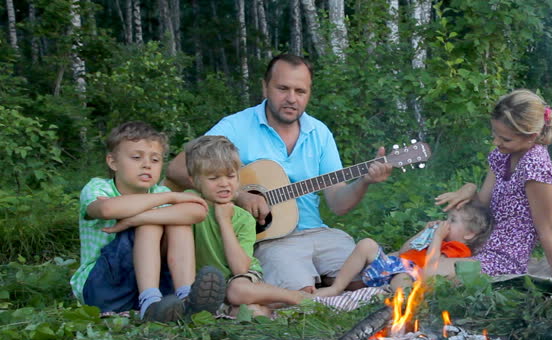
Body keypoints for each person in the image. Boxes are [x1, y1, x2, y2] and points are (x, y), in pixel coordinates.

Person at [166, 53, 392, 293]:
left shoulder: (319, 133)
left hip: (318, 233)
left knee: (368, 280)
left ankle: (329, 286)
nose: (291, 98)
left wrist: (364, 181)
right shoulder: (236, 126)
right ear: (265, 87)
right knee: (299, 292)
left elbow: (338, 203)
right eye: (283, 88)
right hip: (269, 240)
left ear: (309, 93)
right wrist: (239, 195)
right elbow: (177, 168)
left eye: (300, 91)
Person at [70, 122, 226, 322]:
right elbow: (107, 209)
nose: (147, 165)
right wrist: (171, 199)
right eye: (136, 157)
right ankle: (149, 303)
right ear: (112, 161)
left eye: (155, 159)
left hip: (152, 282)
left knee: (177, 221)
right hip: (104, 286)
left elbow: (197, 211)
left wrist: (136, 218)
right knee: (155, 223)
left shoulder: (159, 191)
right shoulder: (98, 188)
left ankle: (187, 298)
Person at [435, 89, 552, 280]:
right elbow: (483, 206)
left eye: (505, 139)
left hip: (505, 258)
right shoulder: (501, 155)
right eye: (495, 134)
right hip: (479, 243)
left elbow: (546, 231)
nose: (496, 142)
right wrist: (469, 188)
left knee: (429, 274)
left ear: (531, 136)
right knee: (413, 260)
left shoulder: (535, 166)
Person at [184, 135, 312, 317]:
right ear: (194, 181)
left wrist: (224, 221)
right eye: (213, 178)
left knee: (236, 291)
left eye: (230, 176)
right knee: (247, 312)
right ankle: (267, 307)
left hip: (240, 277)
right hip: (209, 286)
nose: (224, 183)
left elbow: (240, 269)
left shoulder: (244, 218)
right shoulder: (191, 201)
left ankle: (293, 296)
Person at [315, 204, 493, 297]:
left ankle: (402, 306)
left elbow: (432, 268)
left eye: (452, 220)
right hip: (395, 264)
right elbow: (403, 251)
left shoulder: (457, 249)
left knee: (402, 279)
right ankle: (337, 287)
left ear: (469, 234)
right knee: (367, 244)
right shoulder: (435, 239)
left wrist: (438, 238)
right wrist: (425, 233)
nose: (445, 223)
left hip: (409, 274)